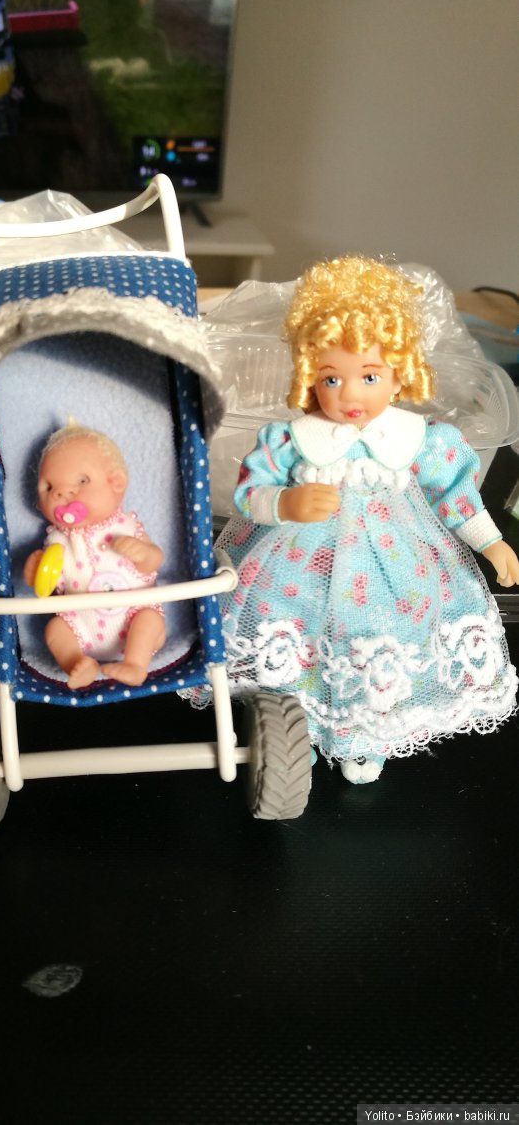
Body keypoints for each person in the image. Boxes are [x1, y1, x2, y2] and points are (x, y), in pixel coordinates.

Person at [181, 255, 518, 784]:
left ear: (399, 373)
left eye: (369, 376)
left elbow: (454, 495)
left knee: (384, 633)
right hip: (296, 558)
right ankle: (293, 726)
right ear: (309, 376)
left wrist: (490, 541)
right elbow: (250, 493)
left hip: (395, 560)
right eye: (331, 378)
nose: (350, 394)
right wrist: (285, 504)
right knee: (293, 626)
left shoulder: (420, 440)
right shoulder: (290, 440)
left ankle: (365, 733)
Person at [23, 421, 165, 688]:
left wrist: (144, 553)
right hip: (82, 627)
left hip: (133, 617)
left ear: (116, 483)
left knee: (150, 620)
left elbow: (154, 561)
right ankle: (77, 663)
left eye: (82, 481)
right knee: (55, 629)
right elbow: (48, 584)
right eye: (49, 487)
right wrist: (34, 572)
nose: (61, 492)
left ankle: (135, 664)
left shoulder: (125, 527)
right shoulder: (57, 543)